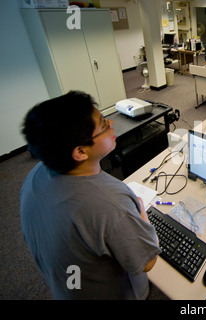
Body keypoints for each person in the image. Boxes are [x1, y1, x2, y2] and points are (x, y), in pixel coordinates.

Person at [20, 91, 161, 299]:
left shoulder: (35, 176)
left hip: (68, 286)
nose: (112, 124)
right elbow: (147, 262)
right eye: (104, 125)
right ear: (80, 152)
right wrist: (140, 213)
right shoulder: (110, 203)